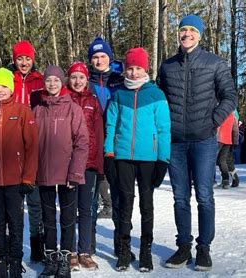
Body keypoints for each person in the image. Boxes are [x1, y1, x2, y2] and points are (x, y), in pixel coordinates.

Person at [157, 15, 237, 271]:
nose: (187, 34)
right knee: (180, 197)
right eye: (183, 30)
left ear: (199, 35)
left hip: (203, 141)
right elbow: (159, 100)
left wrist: (212, 121)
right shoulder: (167, 66)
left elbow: (230, 96)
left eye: (192, 30)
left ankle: (204, 248)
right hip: (176, 142)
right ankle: (183, 247)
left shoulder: (215, 63)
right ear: (178, 34)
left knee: (204, 196)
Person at [105, 48, 171, 272]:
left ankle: (145, 251)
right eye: (130, 68)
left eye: (138, 68)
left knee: (146, 205)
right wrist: (109, 154)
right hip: (122, 157)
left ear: (146, 69)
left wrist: (163, 160)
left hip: (149, 159)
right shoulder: (118, 94)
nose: (133, 73)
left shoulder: (156, 95)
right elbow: (110, 126)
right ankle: (123, 250)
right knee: (125, 204)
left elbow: (163, 129)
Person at [0, 68, 39, 277]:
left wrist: (29, 176)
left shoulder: (22, 111)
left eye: (4, 86)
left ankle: (15, 262)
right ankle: (0, 263)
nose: (0, 90)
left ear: (11, 89)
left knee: (16, 224)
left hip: (16, 181)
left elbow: (32, 147)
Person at [33, 65, 88, 278]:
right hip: (45, 172)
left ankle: (65, 259)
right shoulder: (38, 109)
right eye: (49, 81)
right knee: (47, 218)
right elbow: (31, 143)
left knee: (67, 218)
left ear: (62, 82)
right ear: (44, 83)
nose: (52, 84)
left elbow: (82, 142)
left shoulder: (73, 109)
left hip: (67, 174)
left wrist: (75, 173)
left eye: (56, 80)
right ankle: (51, 258)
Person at [7, 40, 45, 262]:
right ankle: (14, 246)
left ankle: (37, 243)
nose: (24, 62)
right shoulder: (6, 78)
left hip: (33, 145)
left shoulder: (39, 81)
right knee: (13, 201)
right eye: (20, 58)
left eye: (27, 58)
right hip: (11, 146)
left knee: (34, 198)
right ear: (14, 60)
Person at [87, 36, 124, 255]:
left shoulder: (119, 79)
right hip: (92, 142)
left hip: (117, 141)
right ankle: (88, 245)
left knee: (120, 193)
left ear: (109, 58)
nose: (99, 60)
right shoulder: (85, 81)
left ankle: (121, 244)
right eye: (95, 57)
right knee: (91, 194)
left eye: (103, 56)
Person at [66, 61, 102, 271]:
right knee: (70, 208)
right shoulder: (64, 99)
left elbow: (98, 131)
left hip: (88, 162)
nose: (77, 81)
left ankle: (84, 251)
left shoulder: (93, 101)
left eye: (81, 77)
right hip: (69, 163)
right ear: (68, 80)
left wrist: (99, 163)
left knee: (86, 208)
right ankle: (70, 250)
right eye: (73, 77)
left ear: (86, 79)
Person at [216, 111, 239, 189]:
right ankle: (233, 179)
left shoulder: (219, 111)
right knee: (226, 160)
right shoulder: (232, 114)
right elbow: (235, 129)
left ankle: (225, 180)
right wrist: (235, 142)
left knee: (217, 160)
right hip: (228, 140)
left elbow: (216, 126)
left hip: (219, 139)